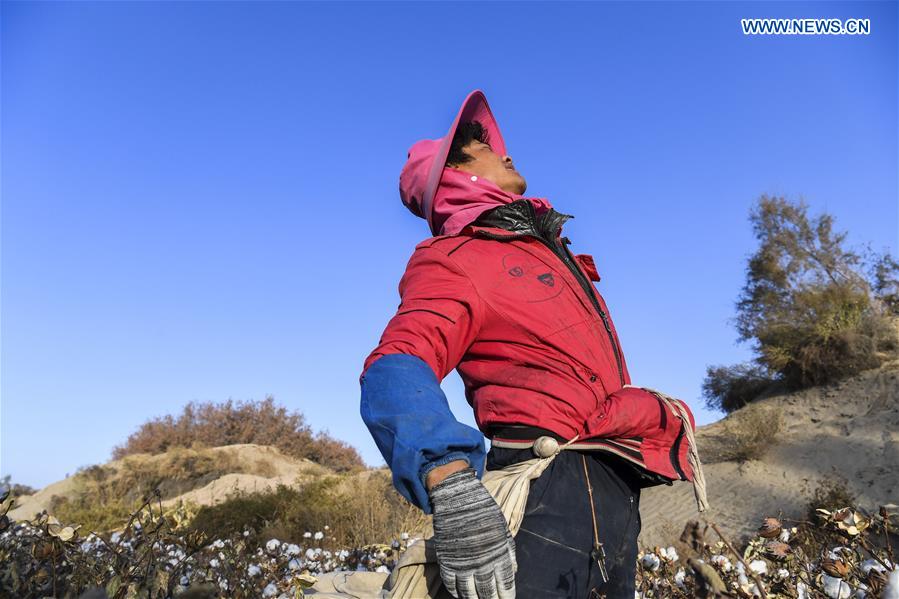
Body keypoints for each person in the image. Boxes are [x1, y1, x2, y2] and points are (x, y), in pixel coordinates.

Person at [359, 90, 705, 599]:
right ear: (458, 176)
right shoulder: (456, 257)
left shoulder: (541, 249)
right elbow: (396, 363)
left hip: (610, 492)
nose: (503, 150)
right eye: (478, 146)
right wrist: (451, 481)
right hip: (545, 493)